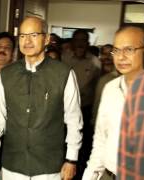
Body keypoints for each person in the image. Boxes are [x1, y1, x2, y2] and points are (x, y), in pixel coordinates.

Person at [0, 16, 83, 180]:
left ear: (46, 39)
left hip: (49, 168)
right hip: (12, 166)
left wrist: (71, 159)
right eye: (22, 36)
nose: (27, 41)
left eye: (33, 35)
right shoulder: (8, 74)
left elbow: (74, 120)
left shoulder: (63, 73)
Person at [83, 26, 144, 180]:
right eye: (116, 50)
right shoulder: (110, 88)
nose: (121, 57)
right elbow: (100, 140)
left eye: (129, 49)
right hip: (109, 175)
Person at [61, 29, 101, 179]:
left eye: (83, 40)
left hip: (85, 110)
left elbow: (98, 87)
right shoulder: (64, 59)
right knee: (64, 144)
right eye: (76, 40)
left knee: (82, 149)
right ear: (72, 42)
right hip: (63, 110)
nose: (80, 43)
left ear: (88, 43)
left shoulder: (95, 63)